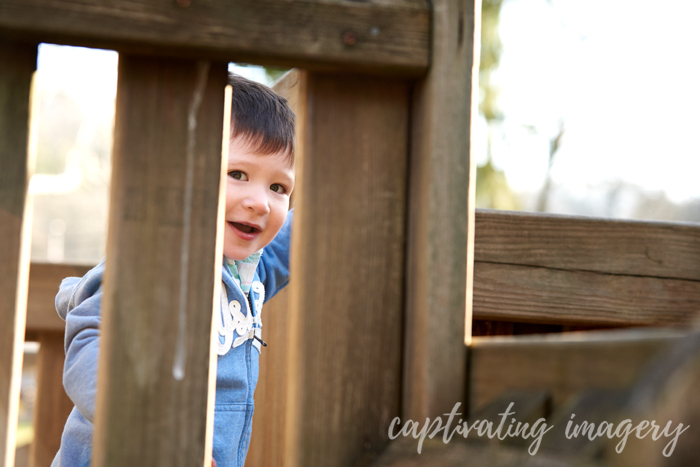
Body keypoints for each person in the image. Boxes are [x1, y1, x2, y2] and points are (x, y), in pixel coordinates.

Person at [51, 74, 296, 467]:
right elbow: (90, 346)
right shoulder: (148, 262)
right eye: (237, 175)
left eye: (279, 187)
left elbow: (296, 237)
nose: (260, 203)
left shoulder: (247, 274)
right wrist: (150, 432)